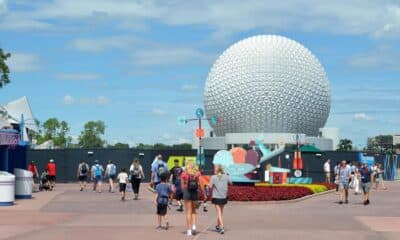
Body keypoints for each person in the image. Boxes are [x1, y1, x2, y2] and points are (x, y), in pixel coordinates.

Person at [181, 160, 203, 236]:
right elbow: (201, 184)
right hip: (195, 192)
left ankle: (189, 231)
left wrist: (184, 191)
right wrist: (203, 192)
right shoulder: (197, 173)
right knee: (194, 210)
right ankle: (194, 226)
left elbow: (182, 186)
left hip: (187, 192)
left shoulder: (184, 173)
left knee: (188, 212)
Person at [208, 165, 232, 235]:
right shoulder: (226, 176)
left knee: (219, 212)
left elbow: (210, 186)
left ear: (217, 170)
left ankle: (222, 227)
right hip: (223, 197)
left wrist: (207, 184)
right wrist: (227, 176)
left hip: (216, 197)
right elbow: (231, 183)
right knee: (220, 212)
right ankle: (218, 226)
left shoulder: (213, 177)